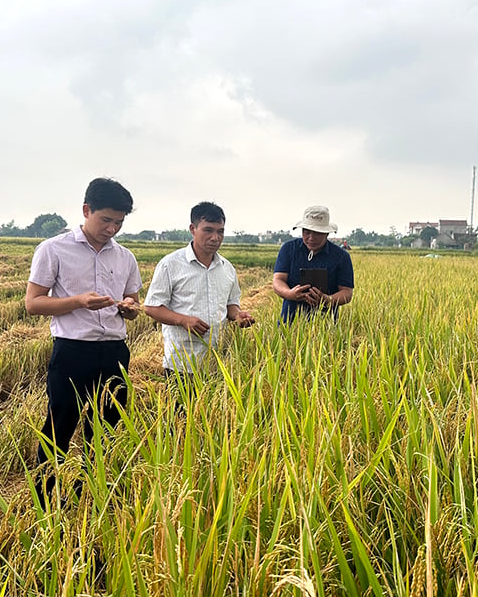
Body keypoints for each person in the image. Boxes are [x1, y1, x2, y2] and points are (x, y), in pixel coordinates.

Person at [25, 178, 142, 472]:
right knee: (59, 426)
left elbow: (133, 303)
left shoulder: (125, 256)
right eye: (105, 220)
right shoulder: (53, 250)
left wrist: (129, 308)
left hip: (115, 351)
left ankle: (92, 491)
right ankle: (45, 495)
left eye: (118, 222)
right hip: (72, 351)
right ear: (86, 210)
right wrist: (79, 301)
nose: (111, 229)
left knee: (108, 427)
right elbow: (33, 303)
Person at [143, 202, 255, 375]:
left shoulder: (227, 268)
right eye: (208, 230)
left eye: (220, 231)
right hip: (181, 363)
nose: (215, 237)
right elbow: (151, 307)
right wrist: (183, 320)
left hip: (218, 363)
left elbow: (231, 304)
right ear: (192, 228)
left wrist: (238, 315)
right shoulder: (170, 265)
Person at [272, 205, 354, 322]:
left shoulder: (341, 257)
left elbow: (346, 293)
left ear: (326, 233)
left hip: (326, 324)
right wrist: (290, 294)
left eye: (317, 233)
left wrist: (327, 300)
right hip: (289, 321)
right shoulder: (288, 249)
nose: (311, 238)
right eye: (307, 232)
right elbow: (278, 280)